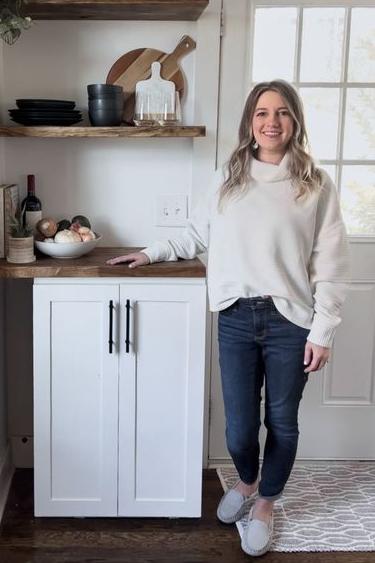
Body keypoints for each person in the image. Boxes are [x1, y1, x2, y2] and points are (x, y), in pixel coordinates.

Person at [107, 79, 350, 557]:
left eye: (282, 112)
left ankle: (265, 504)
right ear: (250, 121)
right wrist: (150, 253)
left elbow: (332, 262)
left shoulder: (314, 183)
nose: (271, 121)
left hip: (290, 321)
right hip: (235, 317)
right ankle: (245, 480)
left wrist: (322, 331)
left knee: (282, 421)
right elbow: (195, 233)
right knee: (239, 426)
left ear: (295, 121)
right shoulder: (230, 175)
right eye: (262, 112)